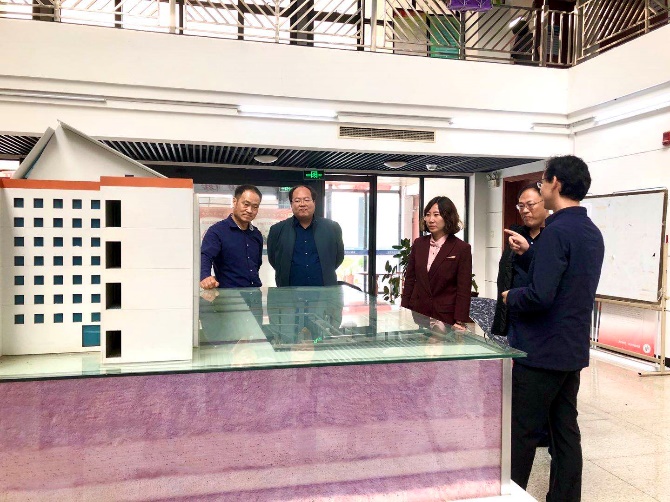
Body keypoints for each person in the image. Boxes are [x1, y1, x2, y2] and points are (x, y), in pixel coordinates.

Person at [502, 155, 605, 501]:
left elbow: (540, 296)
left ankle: (511, 496)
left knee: (522, 434)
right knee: (565, 432)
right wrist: (532, 253)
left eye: (543, 181)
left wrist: (510, 297)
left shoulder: (556, 231)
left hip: (541, 352)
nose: (541, 187)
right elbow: (567, 278)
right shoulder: (590, 231)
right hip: (570, 350)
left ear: (555, 183)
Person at [401, 196, 472, 330]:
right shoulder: (419, 244)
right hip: (419, 313)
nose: (431, 220)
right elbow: (410, 278)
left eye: (436, 215)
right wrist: (404, 309)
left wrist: (460, 320)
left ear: (448, 217)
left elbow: (463, 287)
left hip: (446, 316)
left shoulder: (461, 248)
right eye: (428, 215)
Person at [491, 184, 549, 337]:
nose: (524, 210)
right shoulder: (516, 235)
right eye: (521, 206)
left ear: (546, 203)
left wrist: (528, 252)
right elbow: (505, 277)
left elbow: (547, 276)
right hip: (515, 315)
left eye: (530, 204)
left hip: (542, 318)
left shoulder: (553, 236)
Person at [267, 185, 344, 287]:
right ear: (291, 204)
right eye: (297, 201)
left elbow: (338, 258)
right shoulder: (277, 230)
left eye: (307, 200)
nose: (302, 204)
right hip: (289, 292)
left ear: (314, 202)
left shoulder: (332, 228)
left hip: (324, 292)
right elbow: (274, 260)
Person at [200, 184, 263, 289]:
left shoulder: (256, 234)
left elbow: (257, 264)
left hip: (255, 294)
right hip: (229, 295)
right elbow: (206, 256)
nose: (250, 210)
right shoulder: (217, 231)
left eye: (255, 207)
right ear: (234, 202)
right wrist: (205, 276)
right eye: (246, 204)